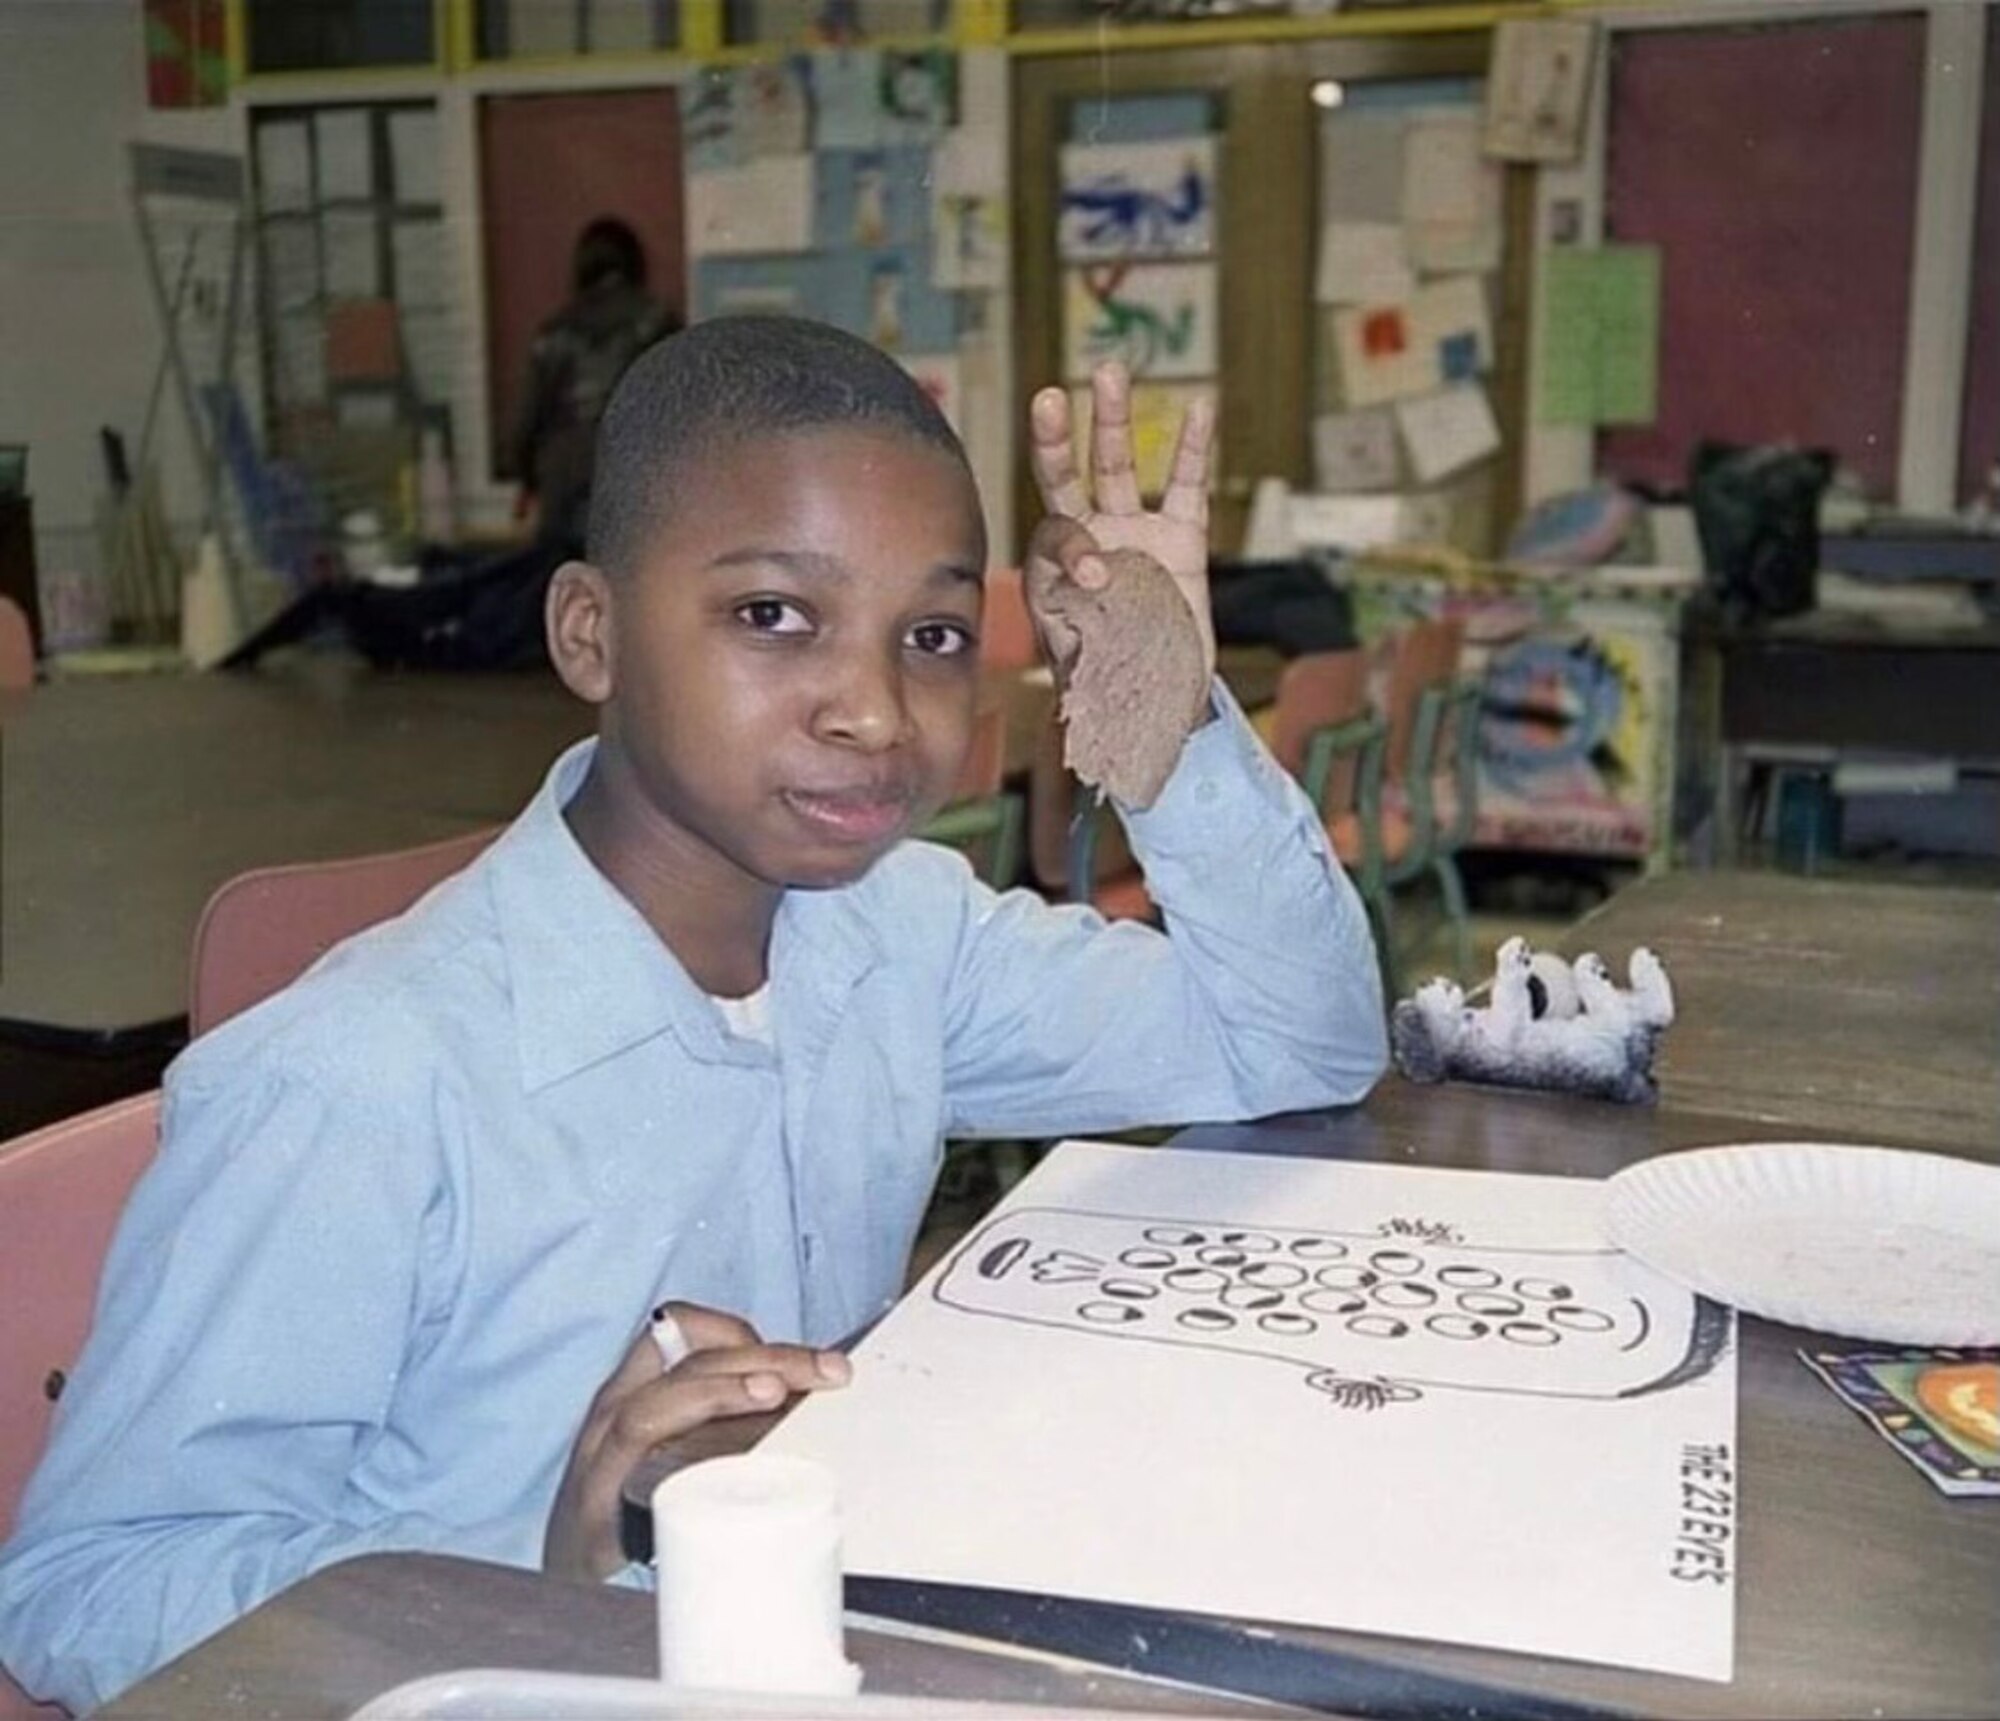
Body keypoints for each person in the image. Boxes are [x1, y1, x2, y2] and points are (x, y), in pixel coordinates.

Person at [0, 317, 1386, 1713]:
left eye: (934, 635)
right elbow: (87, 1590)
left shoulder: (896, 934)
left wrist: (1174, 724)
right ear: (590, 633)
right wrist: (536, 1567)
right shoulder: (355, 1084)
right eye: (774, 613)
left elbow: (1295, 1040)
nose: (873, 709)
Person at [511, 216, 678, 551]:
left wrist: (528, 483)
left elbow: (526, 424)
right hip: (633, 482)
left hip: (562, 482)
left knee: (567, 590)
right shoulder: (658, 322)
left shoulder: (554, 332)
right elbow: (683, 413)